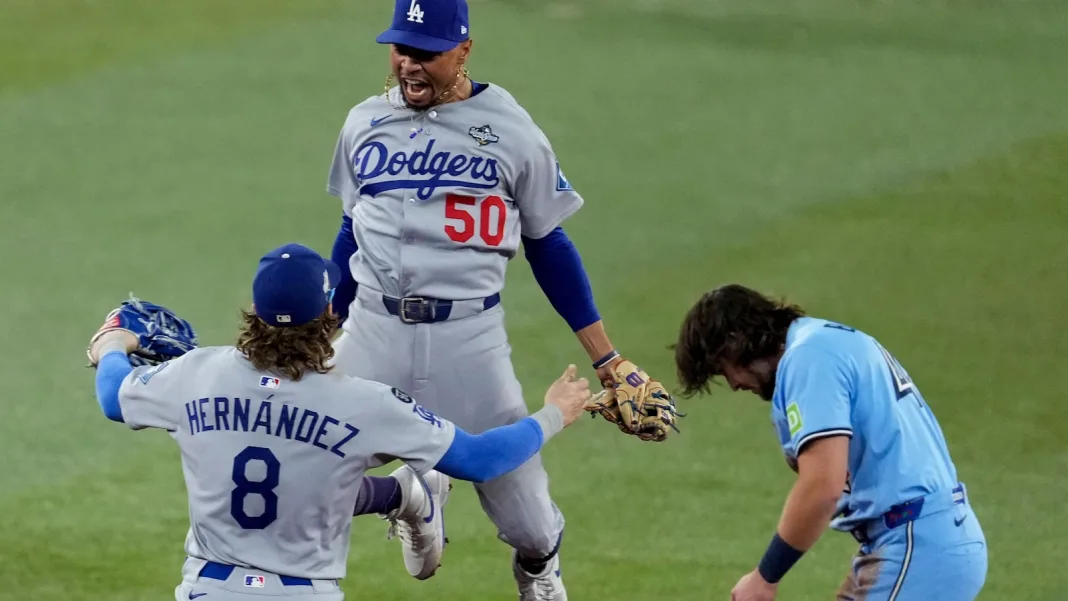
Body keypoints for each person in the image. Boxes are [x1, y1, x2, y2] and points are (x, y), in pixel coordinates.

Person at [322, 0, 671, 598]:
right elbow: (352, 233)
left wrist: (607, 359)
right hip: (372, 333)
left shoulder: (509, 129)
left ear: (463, 50)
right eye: (401, 49)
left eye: (425, 54)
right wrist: (316, 335)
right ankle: (410, 493)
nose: (409, 65)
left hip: (468, 343)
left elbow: (549, 243)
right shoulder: (362, 123)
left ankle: (538, 569)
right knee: (303, 474)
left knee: (531, 526)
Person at [85, 242, 594, 601]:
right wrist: (555, 412)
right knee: (317, 467)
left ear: (254, 312)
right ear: (330, 310)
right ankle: (402, 495)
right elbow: (481, 460)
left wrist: (112, 342)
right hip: (306, 593)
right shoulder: (366, 404)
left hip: (206, 588)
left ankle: (401, 497)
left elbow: (113, 396)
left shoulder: (197, 373)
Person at [672, 284, 988, 601]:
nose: (734, 384)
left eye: (723, 369)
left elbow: (823, 485)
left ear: (735, 341)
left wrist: (765, 577)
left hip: (917, 544)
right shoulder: (824, 341)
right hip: (925, 538)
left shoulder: (808, 359)